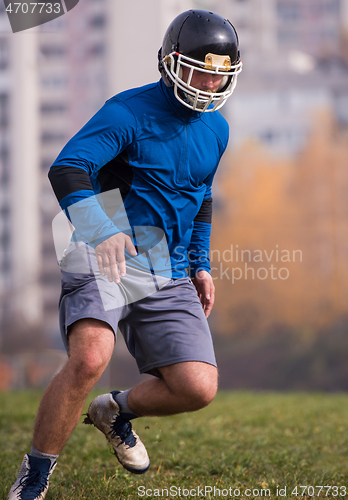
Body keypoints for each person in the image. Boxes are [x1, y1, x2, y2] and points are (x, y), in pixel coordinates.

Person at [8, 9, 242, 500]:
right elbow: (68, 168)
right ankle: (35, 475)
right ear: (170, 63)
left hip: (170, 265)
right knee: (91, 356)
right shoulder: (127, 111)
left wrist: (200, 264)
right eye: (200, 69)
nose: (208, 83)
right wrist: (101, 229)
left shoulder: (217, 129)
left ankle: (114, 412)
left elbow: (200, 198)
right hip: (102, 251)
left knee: (197, 387)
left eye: (218, 74)